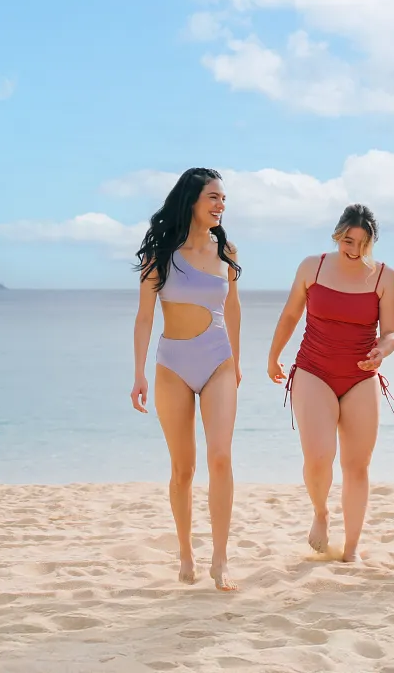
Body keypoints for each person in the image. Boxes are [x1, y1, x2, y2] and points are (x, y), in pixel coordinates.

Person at [268, 204, 394, 563]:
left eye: (362, 243)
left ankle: (353, 547)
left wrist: (382, 350)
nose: (353, 249)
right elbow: (292, 313)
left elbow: (391, 331)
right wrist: (273, 355)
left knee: (357, 465)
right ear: (337, 234)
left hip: (361, 375)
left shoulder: (384, 277)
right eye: (347, 240)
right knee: (318, 457)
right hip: (314, 370)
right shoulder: (313, 266)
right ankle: (321, 513)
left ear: (371, 243)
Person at [130, 167, 243, 592]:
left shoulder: (225, 251)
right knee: (183, 468)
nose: (220, 205)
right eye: (213, 197)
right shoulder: (160, 254)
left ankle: (220, 558)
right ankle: (185, 553)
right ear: (192, 200)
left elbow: (232, 309)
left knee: (220, 457)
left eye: (223, 199)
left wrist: (238, 359)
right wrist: (139, 372)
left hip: (218, 362)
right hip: (172, 364)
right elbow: (144, 317)